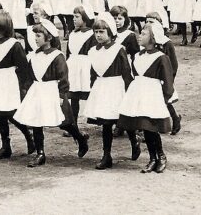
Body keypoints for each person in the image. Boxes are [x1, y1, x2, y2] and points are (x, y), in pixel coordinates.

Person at [14, 20, 89, 167]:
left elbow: (63, 77)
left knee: (65, 122)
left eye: (39, 35)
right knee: (36, 121)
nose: (35, 38)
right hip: (37, 90)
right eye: (35, 35)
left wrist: (62, 95)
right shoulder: (33, 56)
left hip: (52, 91)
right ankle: (40, 153)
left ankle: (80, 138)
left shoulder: (56, 56)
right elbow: (28, 77)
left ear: (48, 38)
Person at [118, 23, 174, 173]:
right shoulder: (137, 56)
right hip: (139, 95)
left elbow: (168, 82)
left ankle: (161, 156)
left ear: (153, 38)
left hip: (153, 96)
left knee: (152, 128)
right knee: (145, 127)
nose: (139, 36)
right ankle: (152, 158)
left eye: (143, 34)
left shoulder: (161, 57)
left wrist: (163, 99)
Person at [84, 12, 137, 170]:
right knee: (106, 123)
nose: (98, 35)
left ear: (110, 32)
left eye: (102, 32)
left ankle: (134, 141)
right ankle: (106, 155)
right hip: (102, 88)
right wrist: (93, 89)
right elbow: (93, 73)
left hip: (116, 87)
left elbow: (127, 73)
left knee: (123, 120)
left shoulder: (119, 49)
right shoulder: (93, 51)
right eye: (96, 32)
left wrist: (129, 94)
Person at [0, 11, 34, 159]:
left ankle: (29, 137)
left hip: (9, 81)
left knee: (11, 113)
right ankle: (6, 146)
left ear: (1, 26)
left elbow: (23, 68)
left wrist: (23, 88)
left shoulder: (14, 45)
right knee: (1, 114)